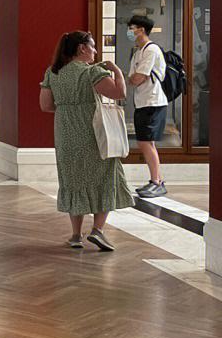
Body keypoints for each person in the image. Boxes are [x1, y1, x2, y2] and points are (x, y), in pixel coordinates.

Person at [41, 31, 134, 250]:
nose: (95, 51)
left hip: (65, 134)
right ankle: (97, 230)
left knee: (73, 181)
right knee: (106, 176)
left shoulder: (53, 72)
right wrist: (116, 70)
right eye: (92, 46)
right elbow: (119, 93)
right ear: (82, 48)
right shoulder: (93, 72)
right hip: (94, 133)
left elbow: (46, 105)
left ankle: (76, 235)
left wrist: (68, 108)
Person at [127, 15, 168, 197]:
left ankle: (156, 182)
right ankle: (157, 180)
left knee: (145, 142)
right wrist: (136, 77)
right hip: (142, 102)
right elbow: (132, 79)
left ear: (141, 30)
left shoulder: (152, 50)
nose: (129, 31)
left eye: (131, 28)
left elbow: (138, 77)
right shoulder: (138, 52)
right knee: (146, 142)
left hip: (153, 102)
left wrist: (137, 77)